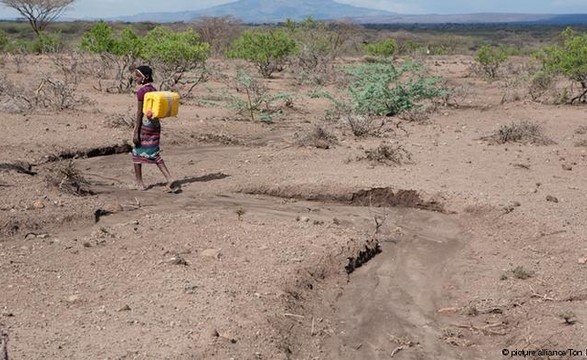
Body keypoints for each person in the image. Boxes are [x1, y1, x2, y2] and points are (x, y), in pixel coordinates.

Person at [131, 65, 178, 192]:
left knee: (136, 152)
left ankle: (139, 183)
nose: (135, 78)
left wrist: (136, 131)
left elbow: (140, 112)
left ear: (145, 77)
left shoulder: (142, 92)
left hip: (145, 126)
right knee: (154, 152)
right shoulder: (154, 89)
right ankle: (169, 178)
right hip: (155, 125)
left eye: (138, 76)